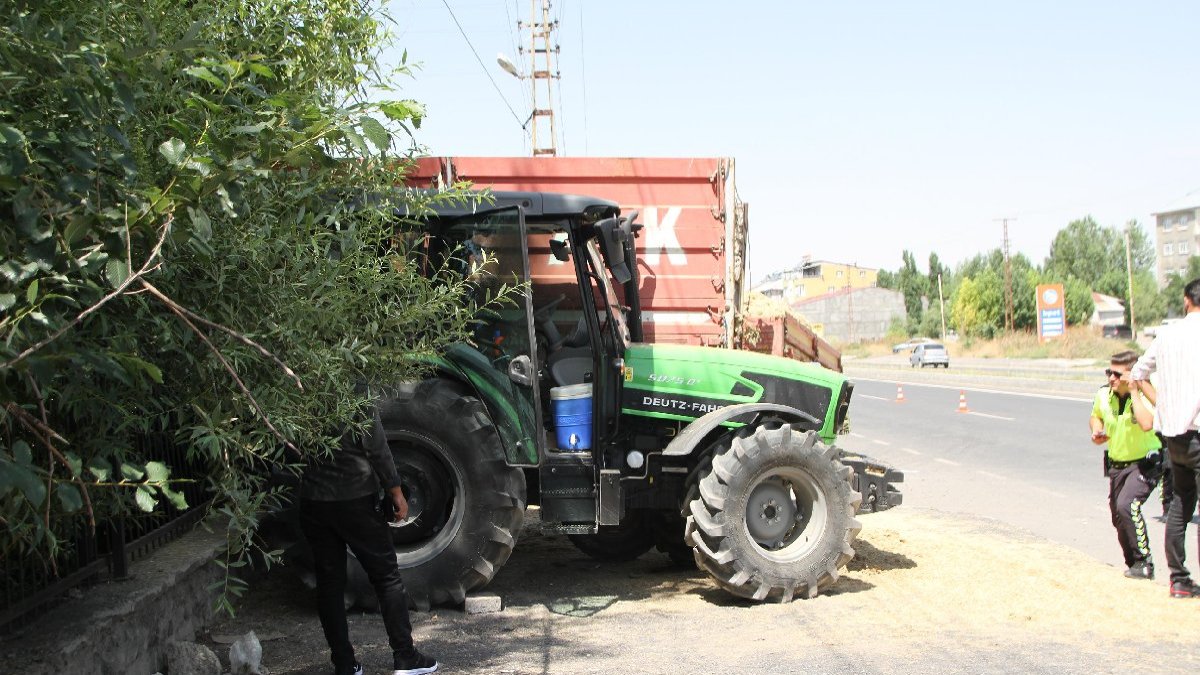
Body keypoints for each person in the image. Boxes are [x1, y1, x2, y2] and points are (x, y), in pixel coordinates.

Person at [299, 400, 440, 674]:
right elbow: (375, 446)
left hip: (313, 500)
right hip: (355, 497)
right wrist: (396, 491)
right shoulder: (354, 390)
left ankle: (344, 664)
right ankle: (405, 656)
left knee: (329, 585)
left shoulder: (297, 390)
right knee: (386, 577)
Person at [1131, 277, 1200, 599]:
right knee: (1183, 504)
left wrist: (1163, 405)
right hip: (1197, 431)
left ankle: (1179, 579)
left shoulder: (1168, 334)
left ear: (1186, 301)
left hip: (1174, 436)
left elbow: (1138, 373)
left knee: (1180, 505)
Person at [1090, 350, 1161, 580]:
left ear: (1131, 375)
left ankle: (1144, 562)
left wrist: (1134, 391)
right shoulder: (1103, 394)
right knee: (1118, 515)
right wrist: (1097, 430)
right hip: (1117, 464)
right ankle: (1133, 564)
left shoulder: (1144, 394)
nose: (1112, 378)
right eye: (1109, 372)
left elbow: (1146, 423)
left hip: (1145, 462)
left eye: (1118, 374)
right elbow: (1096, 415)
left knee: (1127, 505)